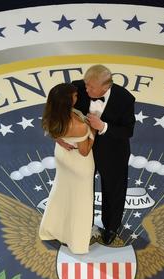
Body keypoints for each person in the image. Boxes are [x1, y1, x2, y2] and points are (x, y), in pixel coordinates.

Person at [58, 65, 136, 245]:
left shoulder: (125, 99)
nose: (85, 90)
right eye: (86, 85)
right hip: (81, 150)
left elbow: (128, 131)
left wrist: (103, 127)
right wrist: (56, 136)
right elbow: (55, 109)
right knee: (80, 190)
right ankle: (81, 225)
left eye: (91, 87)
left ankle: (111, 227)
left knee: (113, 191)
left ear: (106, 87)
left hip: (113, 153)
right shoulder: (76, 88)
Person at [38, 83, 95, 255]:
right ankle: (77, 242)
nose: (77, 97)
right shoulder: (78, 125)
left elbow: (51, 131)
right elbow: (84, 151)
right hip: (80, 164)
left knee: (61, 192)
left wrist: (60, 140)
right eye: (75, 95)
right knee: (81, 202)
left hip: (62, 157)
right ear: (67, 100)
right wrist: (93, 131)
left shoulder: (53, 114)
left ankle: (51, 229)